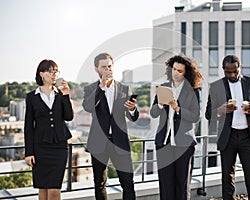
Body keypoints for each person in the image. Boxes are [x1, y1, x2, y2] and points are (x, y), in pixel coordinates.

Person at [205, 55, 250, 200]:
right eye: (228, 72)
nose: (232, 75)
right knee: (227, 178)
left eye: (235, 71)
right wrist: (221, 110)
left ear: (240, 68)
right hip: (228, 137)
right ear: (223, 70)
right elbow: (208, 114)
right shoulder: (215, 86)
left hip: (248, 136)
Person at [82, 52, 139, 200]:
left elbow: (132, 117)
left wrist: (132, 109)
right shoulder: (90, 89)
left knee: (128, 182)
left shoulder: (124, 89)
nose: (108, 70)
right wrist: (101, 87)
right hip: (98, 142)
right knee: (100, 184)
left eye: (110, 66)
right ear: (97, 69)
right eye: (104, 67)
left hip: (120, 142)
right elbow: (88, 107)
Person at [150, 54, 203, 200]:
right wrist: (160, 103)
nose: (175, 73)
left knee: (182, 186)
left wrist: (178, 109)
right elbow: (153, 113)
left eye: (180, 71)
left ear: (187, 73)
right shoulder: (163, 88)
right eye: (174, 69)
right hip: (164, 143)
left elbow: (195, 116)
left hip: (184, 145)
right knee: (165, 186)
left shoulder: (194, 91)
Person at [24, 59, 73, 200]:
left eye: (56, 71)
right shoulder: (31, 97)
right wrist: (29, 152)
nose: (54, 74)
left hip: (59, 147)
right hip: (40, 148)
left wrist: (66, 96)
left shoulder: (60, 94)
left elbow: (69, 117)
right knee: (43, 189)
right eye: (51, 71)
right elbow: (28, 126)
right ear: (42, 74)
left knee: (54, 190)